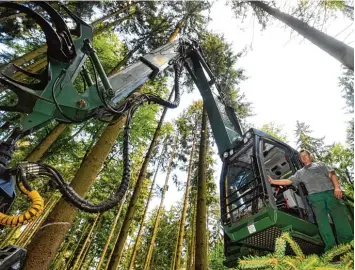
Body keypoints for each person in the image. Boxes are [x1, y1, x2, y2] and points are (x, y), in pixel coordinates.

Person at [267, 150, 353, 252]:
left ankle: (348, 244)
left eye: (305, 155)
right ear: (300, 160)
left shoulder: (320, 165)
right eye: (301, 157)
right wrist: (273, 181)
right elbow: (289, 181)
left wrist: (337, 187)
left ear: (309, 156)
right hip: (315, 199)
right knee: (323, 223)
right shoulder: (300, 173)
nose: (304, 158)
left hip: (330, 193)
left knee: (340, 219)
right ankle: (332, 249)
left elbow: (332, 175)